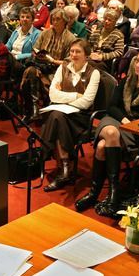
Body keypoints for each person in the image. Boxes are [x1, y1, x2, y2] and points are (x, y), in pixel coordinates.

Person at [75, 50, 139, 217]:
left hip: (138, 130)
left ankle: (96, 194)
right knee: (110, 131)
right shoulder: (126, 82)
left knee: (102, 146)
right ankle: (113, 195)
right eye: (137, 61)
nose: (137, 65)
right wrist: (124, 121)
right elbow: (112, 107)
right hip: (117, 122)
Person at [41, 39, 100, 192]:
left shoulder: (94, 73)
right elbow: (52, 94)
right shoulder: (63, 67)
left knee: (55, 116)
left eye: (78, 52)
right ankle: (66, 166)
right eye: (72, 51)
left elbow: (86, 102)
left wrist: (64, 98)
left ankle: (58, 164)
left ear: (86, 55)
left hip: (81, 117)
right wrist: (75, 96)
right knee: (57, 116)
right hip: (62, 112)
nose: (73, 55)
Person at [20, 8, 75, 120]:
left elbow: (69, 61)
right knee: (30, 71)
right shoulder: (45, 33)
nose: (54, 22)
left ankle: (38, 109)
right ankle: (33, 107)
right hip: (41, 66)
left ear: (64, 21)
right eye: (53, 19)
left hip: (58, 69)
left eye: (58, 19)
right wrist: (39, 55)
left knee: (34, 74)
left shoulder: (70, 38)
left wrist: (52, 61)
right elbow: (35, 48)